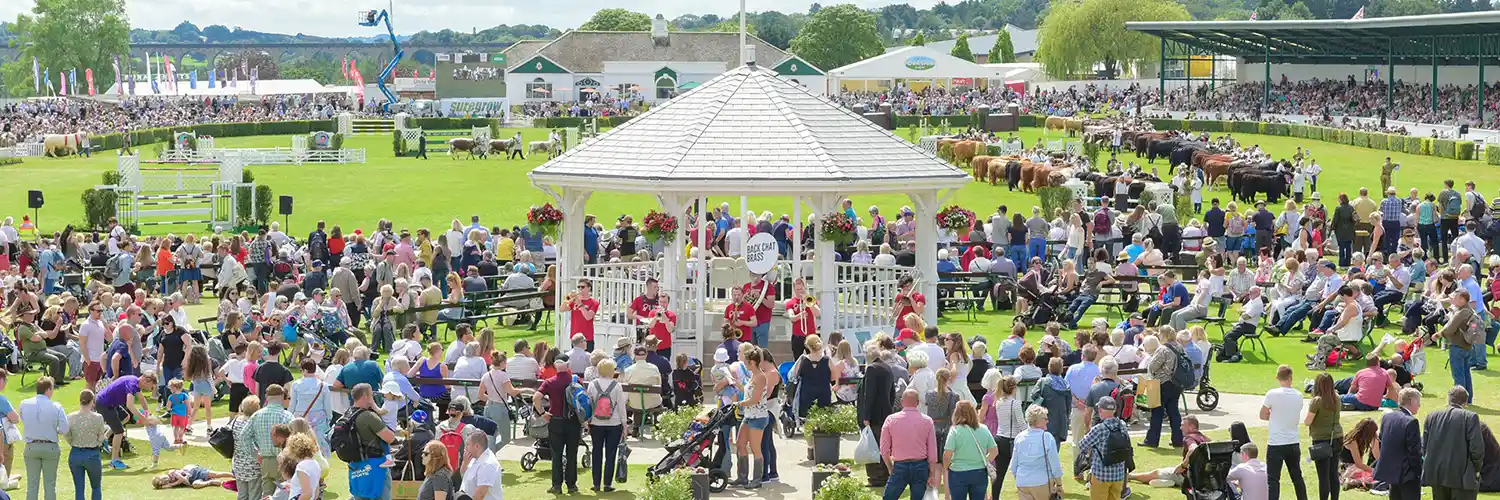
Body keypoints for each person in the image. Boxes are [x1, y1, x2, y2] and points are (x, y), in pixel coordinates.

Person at [533, 354, 581, 494]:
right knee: (572, 454)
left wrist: (543, 413)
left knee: (556, 454)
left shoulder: (549, 382)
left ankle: (556, 485)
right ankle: (571, 485)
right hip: (573, 421)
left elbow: (536, 397)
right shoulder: (575, 380)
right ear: (568, 365)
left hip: (556, 420)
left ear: (555, 365)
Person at [1424, 386, 1483, 500]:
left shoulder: (1432, 416)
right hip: (1462, 476)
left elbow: (1424, 446)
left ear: (1449, 399)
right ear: (1465, 402)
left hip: (1437, 475)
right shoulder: (1470, 417)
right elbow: (1476, 449)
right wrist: (1476, 468)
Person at [1260, 365, 1309, 500]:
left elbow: (1262, 415)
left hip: (1276, 443)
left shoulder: (1272, 394)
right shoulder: (1298, 396)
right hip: (1293, 442)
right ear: (1291, 378)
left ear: (1277, 378)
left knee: (1273, 480)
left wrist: (1273, 415)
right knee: (1297, 477)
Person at [881, 389, 939, 500]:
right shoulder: (927, 421)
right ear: (917, 403)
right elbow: (932, 450)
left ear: (902, 401)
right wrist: (931, 473)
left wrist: (889, 467)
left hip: (900, 465)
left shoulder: (891, 420)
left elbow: (884, 449)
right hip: (920, 466)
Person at [345, 383, 396, 500]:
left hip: (355, 466)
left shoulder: (347, 415)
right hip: (376, 465)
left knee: (359, 496)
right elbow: (390, 438)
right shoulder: (368, 416)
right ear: (365, 397)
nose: (373, 398)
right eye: (371, 395)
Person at [95, 372, 156, 470]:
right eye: (151, 386)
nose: (150, 389)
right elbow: (130, 405)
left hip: (110, 403)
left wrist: (147, 414)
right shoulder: (132, 384)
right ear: (146, 380)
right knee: (119, 432)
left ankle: (105, 437)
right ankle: (114, 460)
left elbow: (142, 399)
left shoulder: (135, 381)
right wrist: (144, 420)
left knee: (125, 417)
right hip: (104, 404)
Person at [19, 377, 66, 500]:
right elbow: (64, 428)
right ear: (48, 389)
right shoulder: (56, 406)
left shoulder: (24, 404)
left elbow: (24, 420)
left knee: (32, 485)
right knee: (50, 484)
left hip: (31, 446)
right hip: (50, 446)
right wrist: (54, 430)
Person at [859, 343, 899, 487]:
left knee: (872, 445)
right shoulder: (887, 368)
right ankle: (884, 473)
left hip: (875, 414)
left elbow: (869, 394)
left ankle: (876, 477)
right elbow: (892, 393)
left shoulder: (872, 368)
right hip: (886, 411)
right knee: (884, 445)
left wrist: (866, 416)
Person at [1075, 396, 1128, 500]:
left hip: (1101, 475)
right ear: (1114, 409)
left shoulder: (1099, 428)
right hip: (1119, 474)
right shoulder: (1122, 425)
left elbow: (1082, 445)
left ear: (1099, 410)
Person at [1374, 388, 1423, 500]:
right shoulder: (1411, 421)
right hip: (1408, 474)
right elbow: (1414, 451)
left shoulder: (1387, 417)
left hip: (1392, 472)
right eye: (1418, 401)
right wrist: (1418, 472)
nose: (1419, 405)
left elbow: (1383, 441)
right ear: (1411, 401)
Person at [245, 384, 294, 497]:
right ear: (282, 397)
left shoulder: (257, 415)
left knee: (267, 494)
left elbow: (244, 436)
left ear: (266, 397)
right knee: (285, 492)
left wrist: (255, 453)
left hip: (265, 460)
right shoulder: (287, 416)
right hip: (284, 460)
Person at [585, 359, 626, 492]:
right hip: (614, 423)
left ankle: (596, 483)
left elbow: (589, 403)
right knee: (611, 454)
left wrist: (587, 420)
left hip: (596, 423)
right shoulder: (617, 386)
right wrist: (624, 424)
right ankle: (607, 484)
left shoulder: (592, 384)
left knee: (596, 452)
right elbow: (621, 407)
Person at [944, 400, 998, 500]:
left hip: (958, 472)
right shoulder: (984, 429)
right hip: (979, 472)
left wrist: (947, 467)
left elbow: (947, 454)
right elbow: (994, 451)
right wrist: (984, 460)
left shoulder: (955, 430)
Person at [1012, 405, 1064, 500]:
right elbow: (1055, 464)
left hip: (1022, 482)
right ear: (1037, 421)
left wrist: (1019, 478)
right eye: (1045, 418)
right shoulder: (1047, 437)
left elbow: (1014, 465)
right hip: (1041, 481)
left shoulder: (1019, 437)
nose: (1047, 421)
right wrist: (1059, 484)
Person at [1141, 332, 1183, 448]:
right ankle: (1178, 439)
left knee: (1157, 413)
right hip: (1177, 383)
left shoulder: (1163, 349)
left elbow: (1152, 366)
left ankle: (1152, 440)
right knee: (1174, 412)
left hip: (1162, 384)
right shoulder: (1179, 347)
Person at [63, 389, 107, 500]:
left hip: (76, 453)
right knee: (96, 487)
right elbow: (101, 436)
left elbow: (67, 435)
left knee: (79, 488)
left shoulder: (70, 417)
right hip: (92, 454)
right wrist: (97, 442)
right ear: (92, 401)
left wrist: (73, 442)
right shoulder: (98, 417)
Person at [1305, 373, 1342, 500]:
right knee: (1333, 474)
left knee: (1323, 476)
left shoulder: (1317, 401)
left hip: (1321, 440)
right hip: (1336, 436)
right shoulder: (1336, 397)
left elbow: (1307, 421)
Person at [1438, 289, 1478, 396]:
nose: (1453, 300)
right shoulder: (1469, 311)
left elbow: (1450, 329)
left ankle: (1459, 399)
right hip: (1467, 346)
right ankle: (1468, 399)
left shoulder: (1462, 312)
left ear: (1462, 300)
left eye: (1455, 298)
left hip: (1458, 346)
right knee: (1466, 374)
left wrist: (1438, 334)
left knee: (1458, 375)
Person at [230, 397, 264, 500]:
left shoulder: (235, 421)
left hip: (239, 463)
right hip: (254, 464)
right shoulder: (255, 423)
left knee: (242, 495)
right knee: (255, 495)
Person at [460, 430, 502, 500]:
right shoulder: (474, 457)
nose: (465, 448)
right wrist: (465, 463)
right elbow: (463, 475)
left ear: (477, 446)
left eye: (467, 444)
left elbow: (480, 494)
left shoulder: (487, 464)